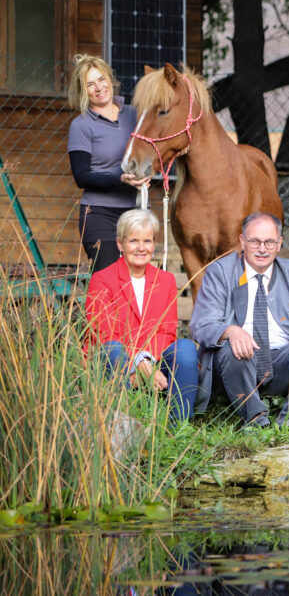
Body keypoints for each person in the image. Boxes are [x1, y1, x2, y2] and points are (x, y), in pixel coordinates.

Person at [191, 212, 289, 429]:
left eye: (269, 242)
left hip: (280, 361)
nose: (262, 248)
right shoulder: (219, 271)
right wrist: (231, 331)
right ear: (242, 241)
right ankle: (254, 419)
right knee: (236, 346)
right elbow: (201, 324)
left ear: (279, 244)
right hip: (236, 366)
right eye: (255, 241)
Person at [85, 209, 200, 423]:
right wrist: (139, 365)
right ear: (120, 244)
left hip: (153, 359)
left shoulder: (165, 280)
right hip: (116, 361)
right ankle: (121, 425)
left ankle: (178, 427)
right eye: (133, 241)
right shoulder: (102, 280)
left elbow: (166, 331)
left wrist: (147, 362)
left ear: (154, 244)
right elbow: (105, 334)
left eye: (147, 241)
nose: (141, 248)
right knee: (113, 349)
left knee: (185, 348)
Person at [66, 54, 150, 272]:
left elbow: (154, 150)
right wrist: (119, 180)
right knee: (108, 285)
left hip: (136, 211)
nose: (99, 87)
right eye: (90, 84)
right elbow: (81, 176)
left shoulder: (136, 114)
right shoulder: (81, 125)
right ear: (83, 91)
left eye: (102, 79)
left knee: (136, 285)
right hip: (100, 214)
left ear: (111, 80)